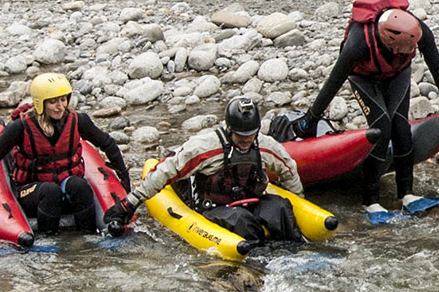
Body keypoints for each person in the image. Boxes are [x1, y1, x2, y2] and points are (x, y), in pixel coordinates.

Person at [292, 0, 439, 224]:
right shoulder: (358, 44)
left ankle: (407, 195)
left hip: (397, 73)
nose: (414, 51)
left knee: (400, 127)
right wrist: (311, 119)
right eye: (408, 49)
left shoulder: (417, 31)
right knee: (381, 127)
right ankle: (371, 201)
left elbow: (438, 67)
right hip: (363, 76)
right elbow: (333, 83)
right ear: (391, 41)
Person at [104, 98, 304, 243]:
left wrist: (299, 202)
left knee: (280, 209)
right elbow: (166, 171)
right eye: (241, 136)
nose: (246, 141)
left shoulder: (266, 146)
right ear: (229, 130)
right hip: (214, 207)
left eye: (250, 135)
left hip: (253, 201)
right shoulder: (204, 148)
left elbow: (289, 170)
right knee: (243, 222)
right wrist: (128, 205)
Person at [0, 73, 129, 235]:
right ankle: (47, 242)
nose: (60, 106)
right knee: (50, 191)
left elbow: (109, 144)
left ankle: (87, 239)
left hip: (66, 188)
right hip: (31, 192)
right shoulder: (20, 127)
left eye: (63, 99)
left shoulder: (78, 120)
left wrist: (125, 181)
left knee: (79, 186)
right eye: (53, 102)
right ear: (40, 103)